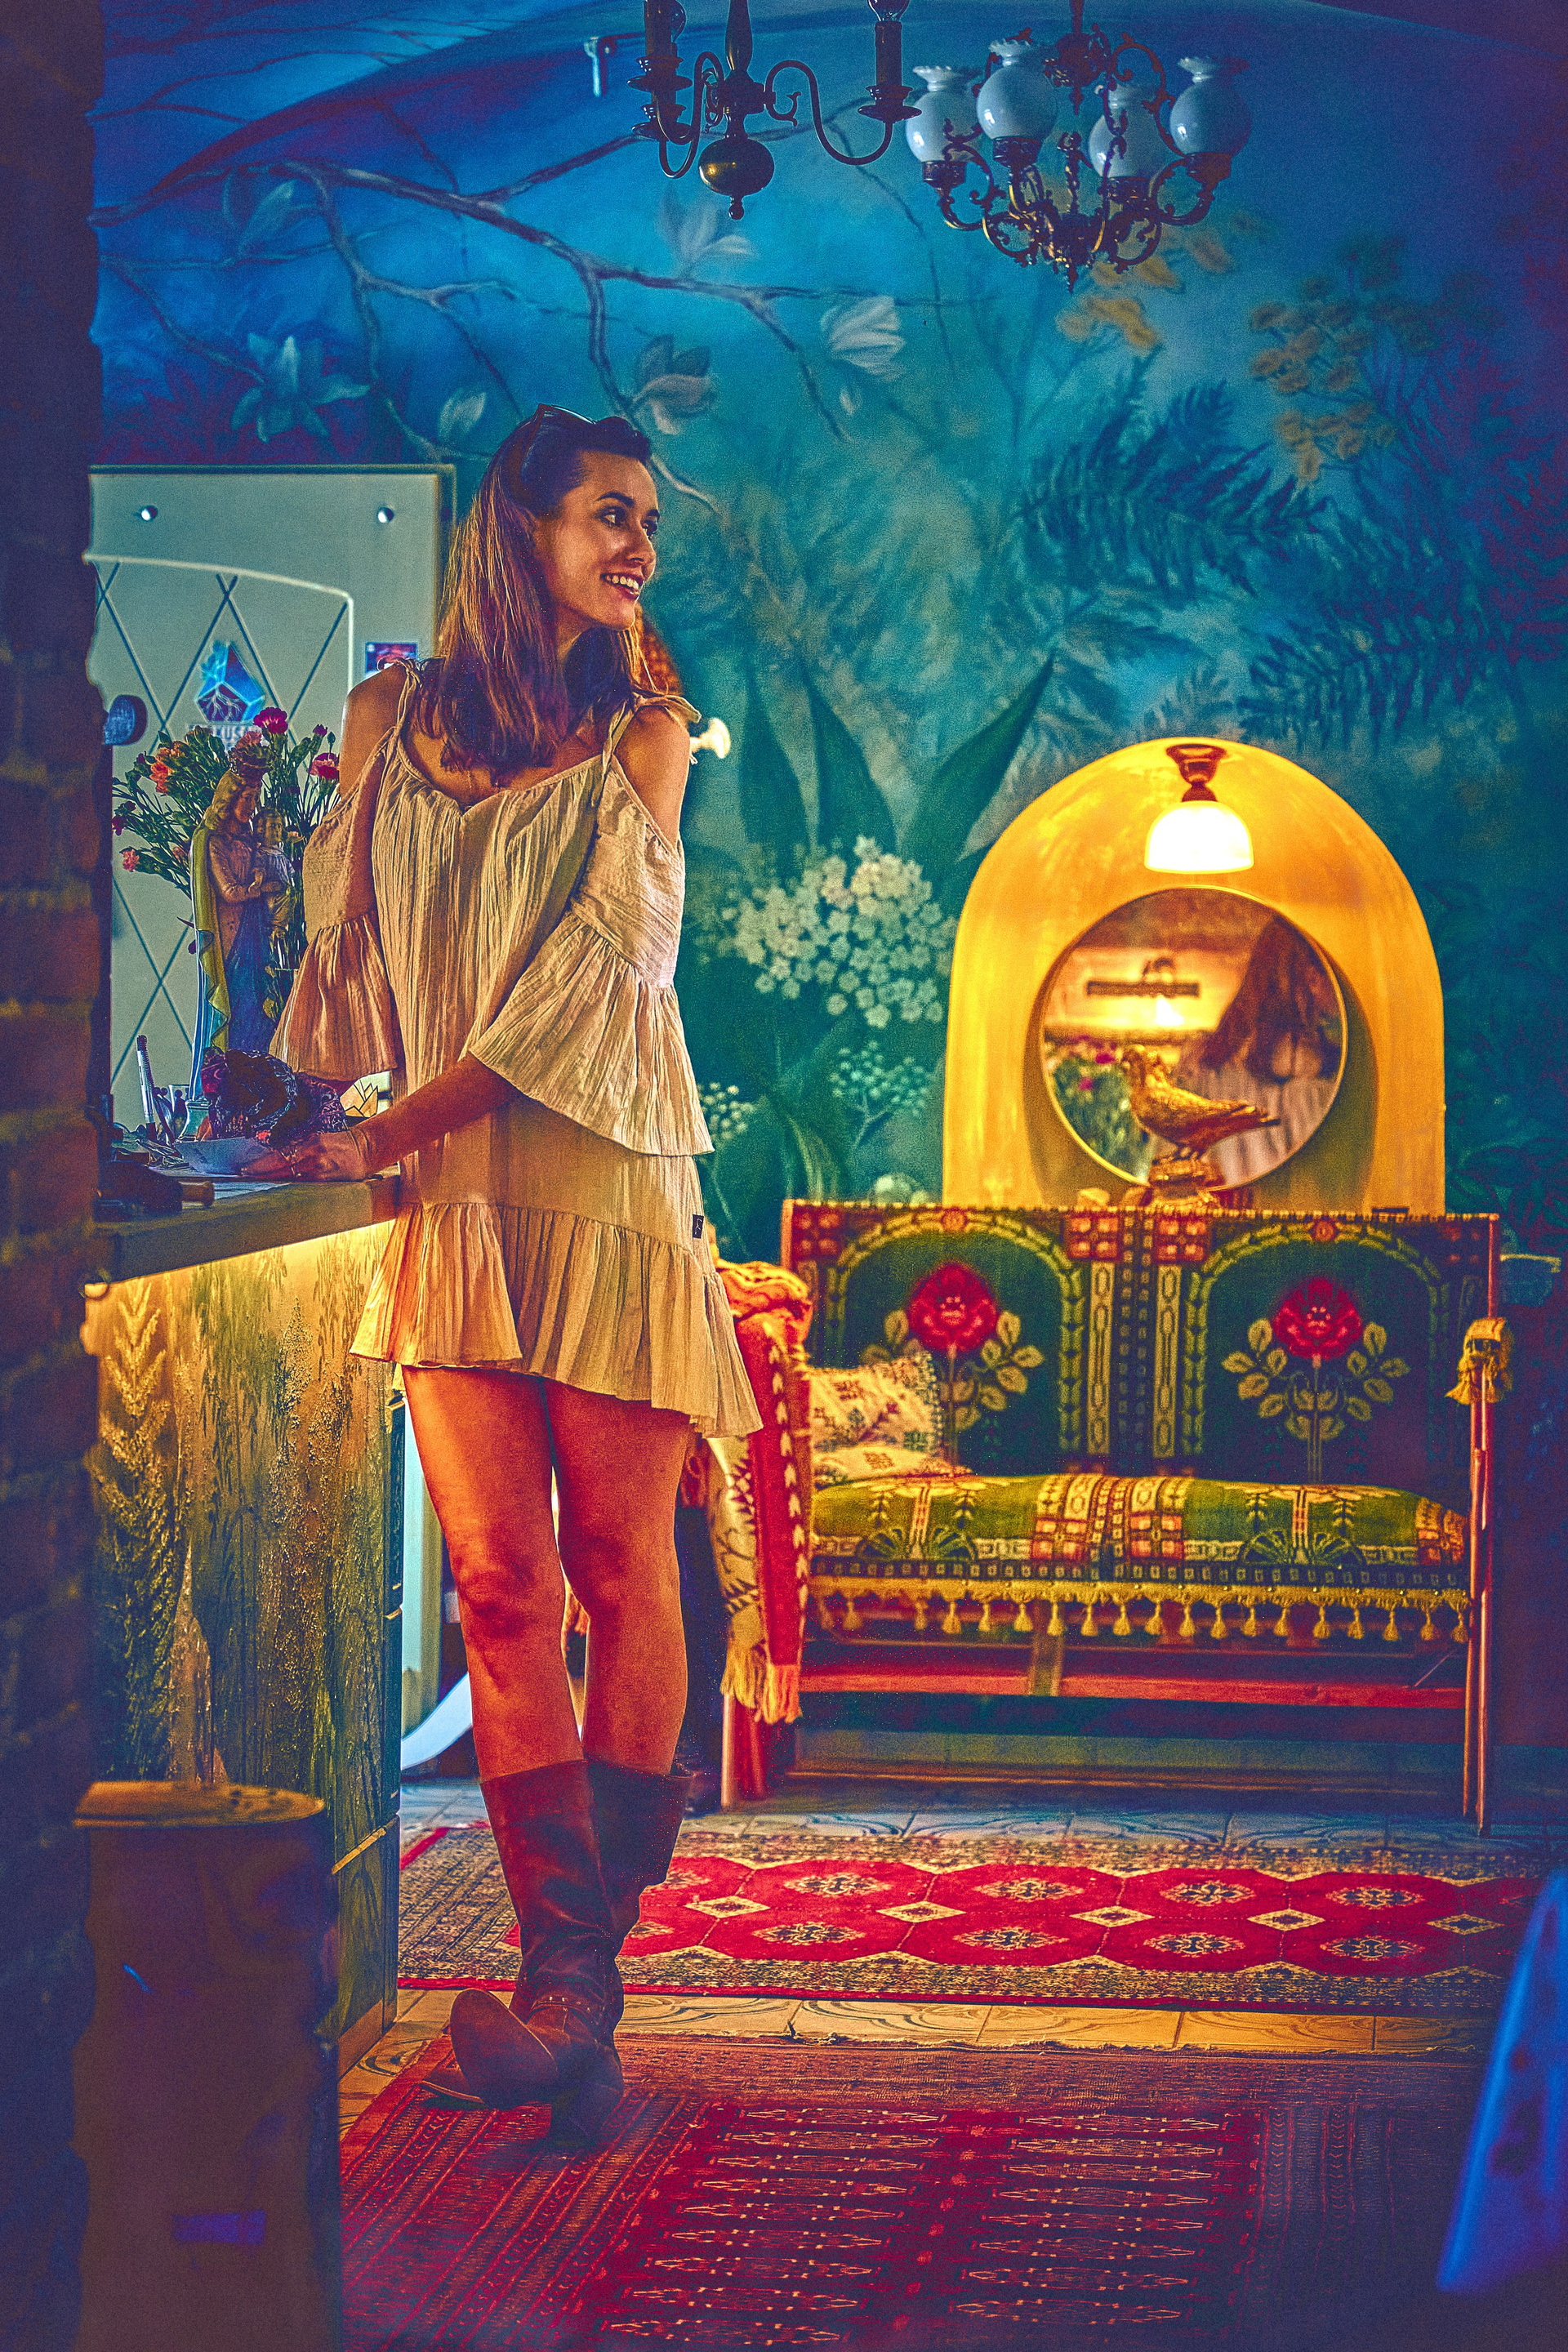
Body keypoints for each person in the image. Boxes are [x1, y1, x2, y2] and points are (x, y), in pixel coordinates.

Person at [261, 406, 760, 2144]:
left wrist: (386, 1134)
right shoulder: (385, 724)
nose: (639, 547)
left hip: (607, 1188)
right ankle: (574, 2002)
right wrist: (301, 1107)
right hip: (457, 1206)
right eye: (610, 514)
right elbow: (348, 980)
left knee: (620, 1567)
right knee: (493, 1587)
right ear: (519, 528)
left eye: (648, 523)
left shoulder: (646, 739)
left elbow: (580, 1005)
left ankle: (569, 1981)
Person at [1174, 914, 1342, 1186]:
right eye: (1333, 977)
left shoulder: (1203, 1063)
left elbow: (1169, 1161)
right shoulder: (1322, 1079)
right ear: (1313, 979)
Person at [188, 737, 292, 1098]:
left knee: (260, 1010)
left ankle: (258, 1090)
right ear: (229, 799)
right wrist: (265, 888)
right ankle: (229, 1093)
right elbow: (230, 892)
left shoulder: (251, 842)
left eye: (255, 798)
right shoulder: (213, 842)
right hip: (231, 943)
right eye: (245, 798)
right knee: (238, 1009)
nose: (250, 806)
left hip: (257, 937)